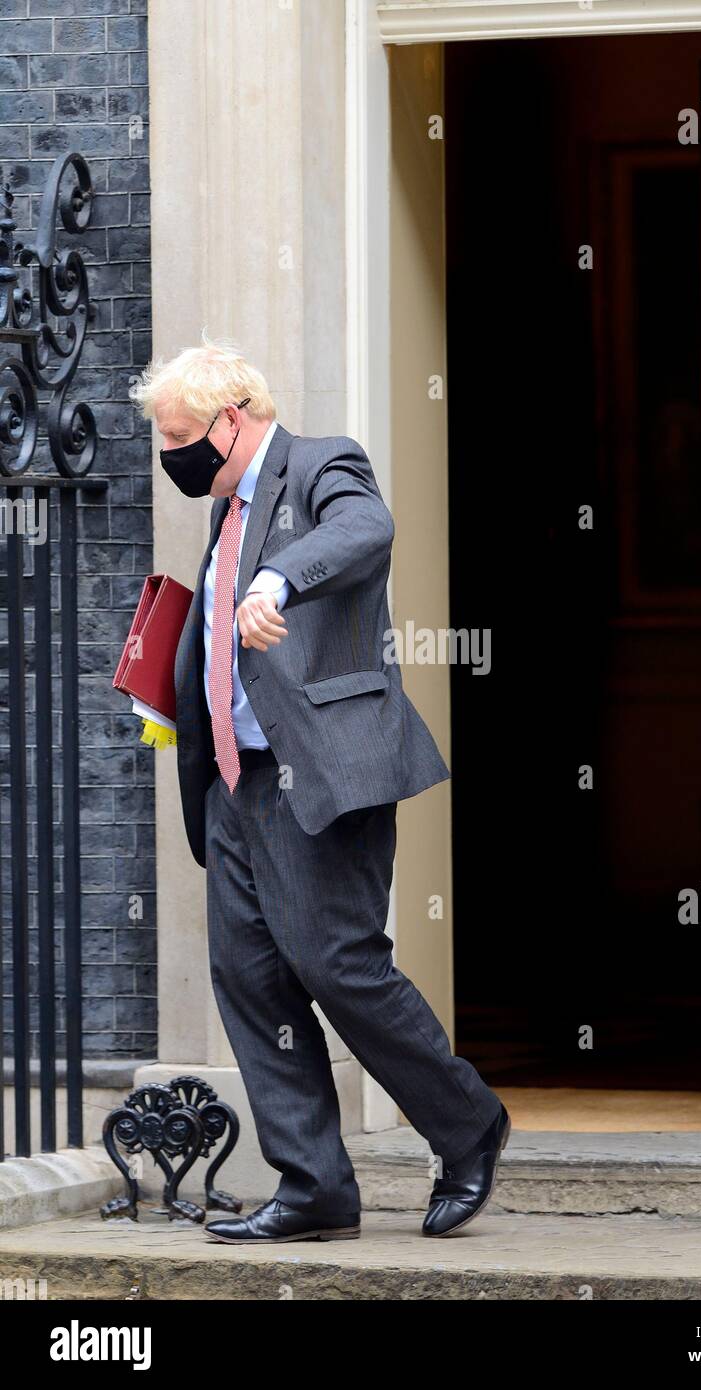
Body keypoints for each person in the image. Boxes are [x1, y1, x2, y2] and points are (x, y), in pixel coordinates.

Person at [130, 333, 510, 1241]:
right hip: (234, 780)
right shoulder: (224, 504)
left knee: (336, 964)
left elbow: (365, 531)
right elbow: (226, 638)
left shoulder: (319, 467)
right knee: (250, 980)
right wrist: (174, 685)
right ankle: (314, 1189)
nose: (170, 455)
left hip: (320, 773)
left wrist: (275, 575)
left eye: (181, 435)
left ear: (231, 420)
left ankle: (466, 1127)